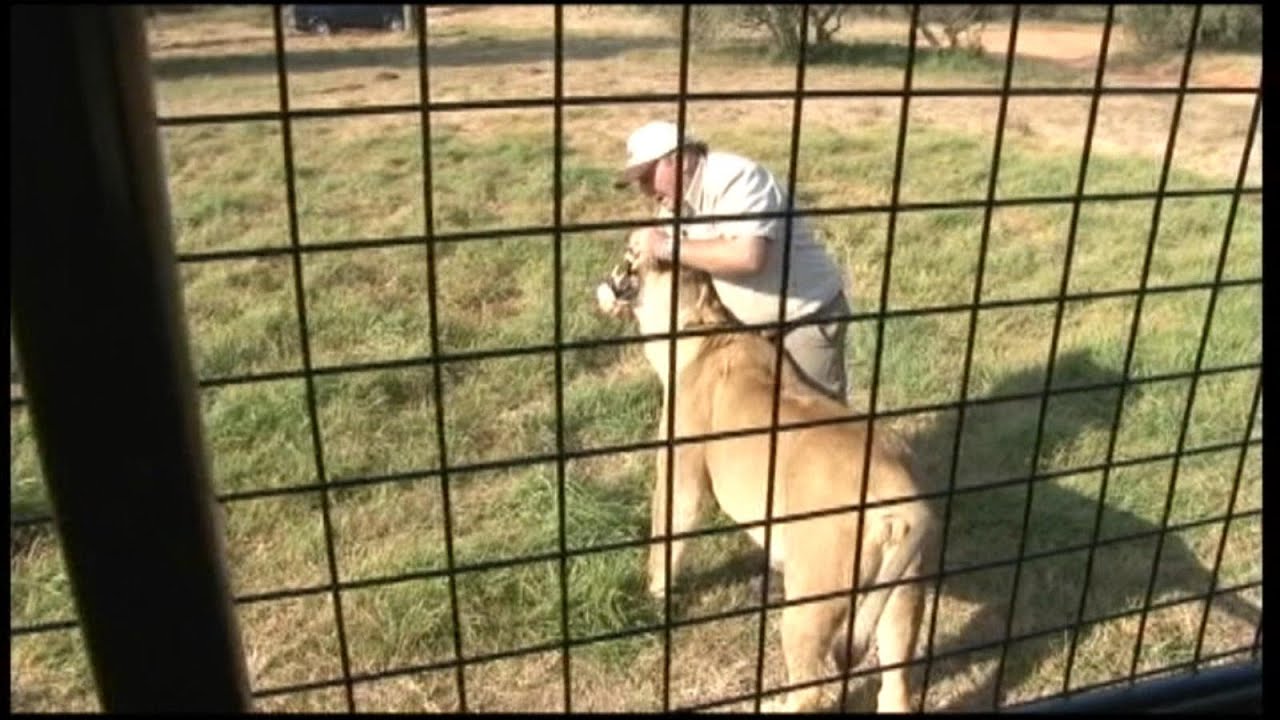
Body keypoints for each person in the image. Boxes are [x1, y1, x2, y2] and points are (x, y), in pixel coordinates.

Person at [615, 120, 852, 402]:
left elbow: (749, 256)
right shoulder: (675, 206)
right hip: (748, 332)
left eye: (646, 177)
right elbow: (664, 263)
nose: (644, 190)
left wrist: (665, 246)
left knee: (813, 426)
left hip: (803, 320)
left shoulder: (737, 178)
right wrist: (623, 289)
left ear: (678, 160)